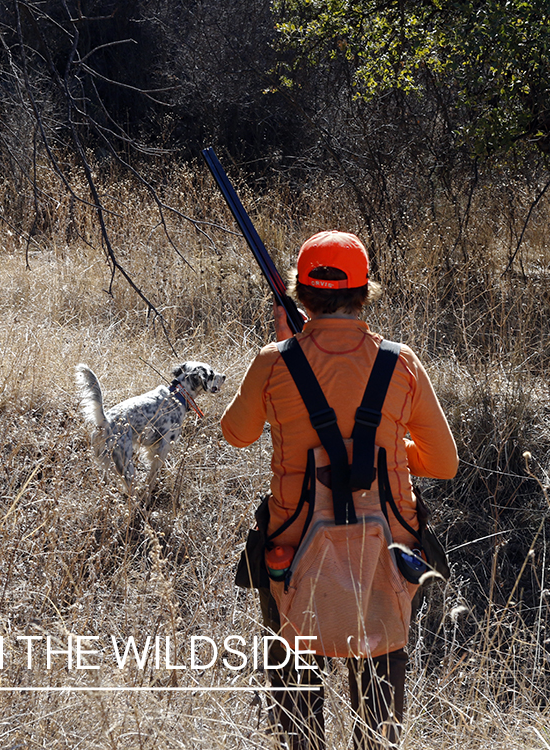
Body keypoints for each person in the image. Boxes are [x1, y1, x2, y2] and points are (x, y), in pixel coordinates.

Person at [220, 230, 459, 749]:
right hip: (388, 551)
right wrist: (389, 453)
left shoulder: (273, 361)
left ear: (299, 294)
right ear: (364, 291)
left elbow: (235, 434)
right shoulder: (401, 363)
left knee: (296, 703)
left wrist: (283, 347)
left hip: (293, 551)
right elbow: (443, 463)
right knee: (379, 704)